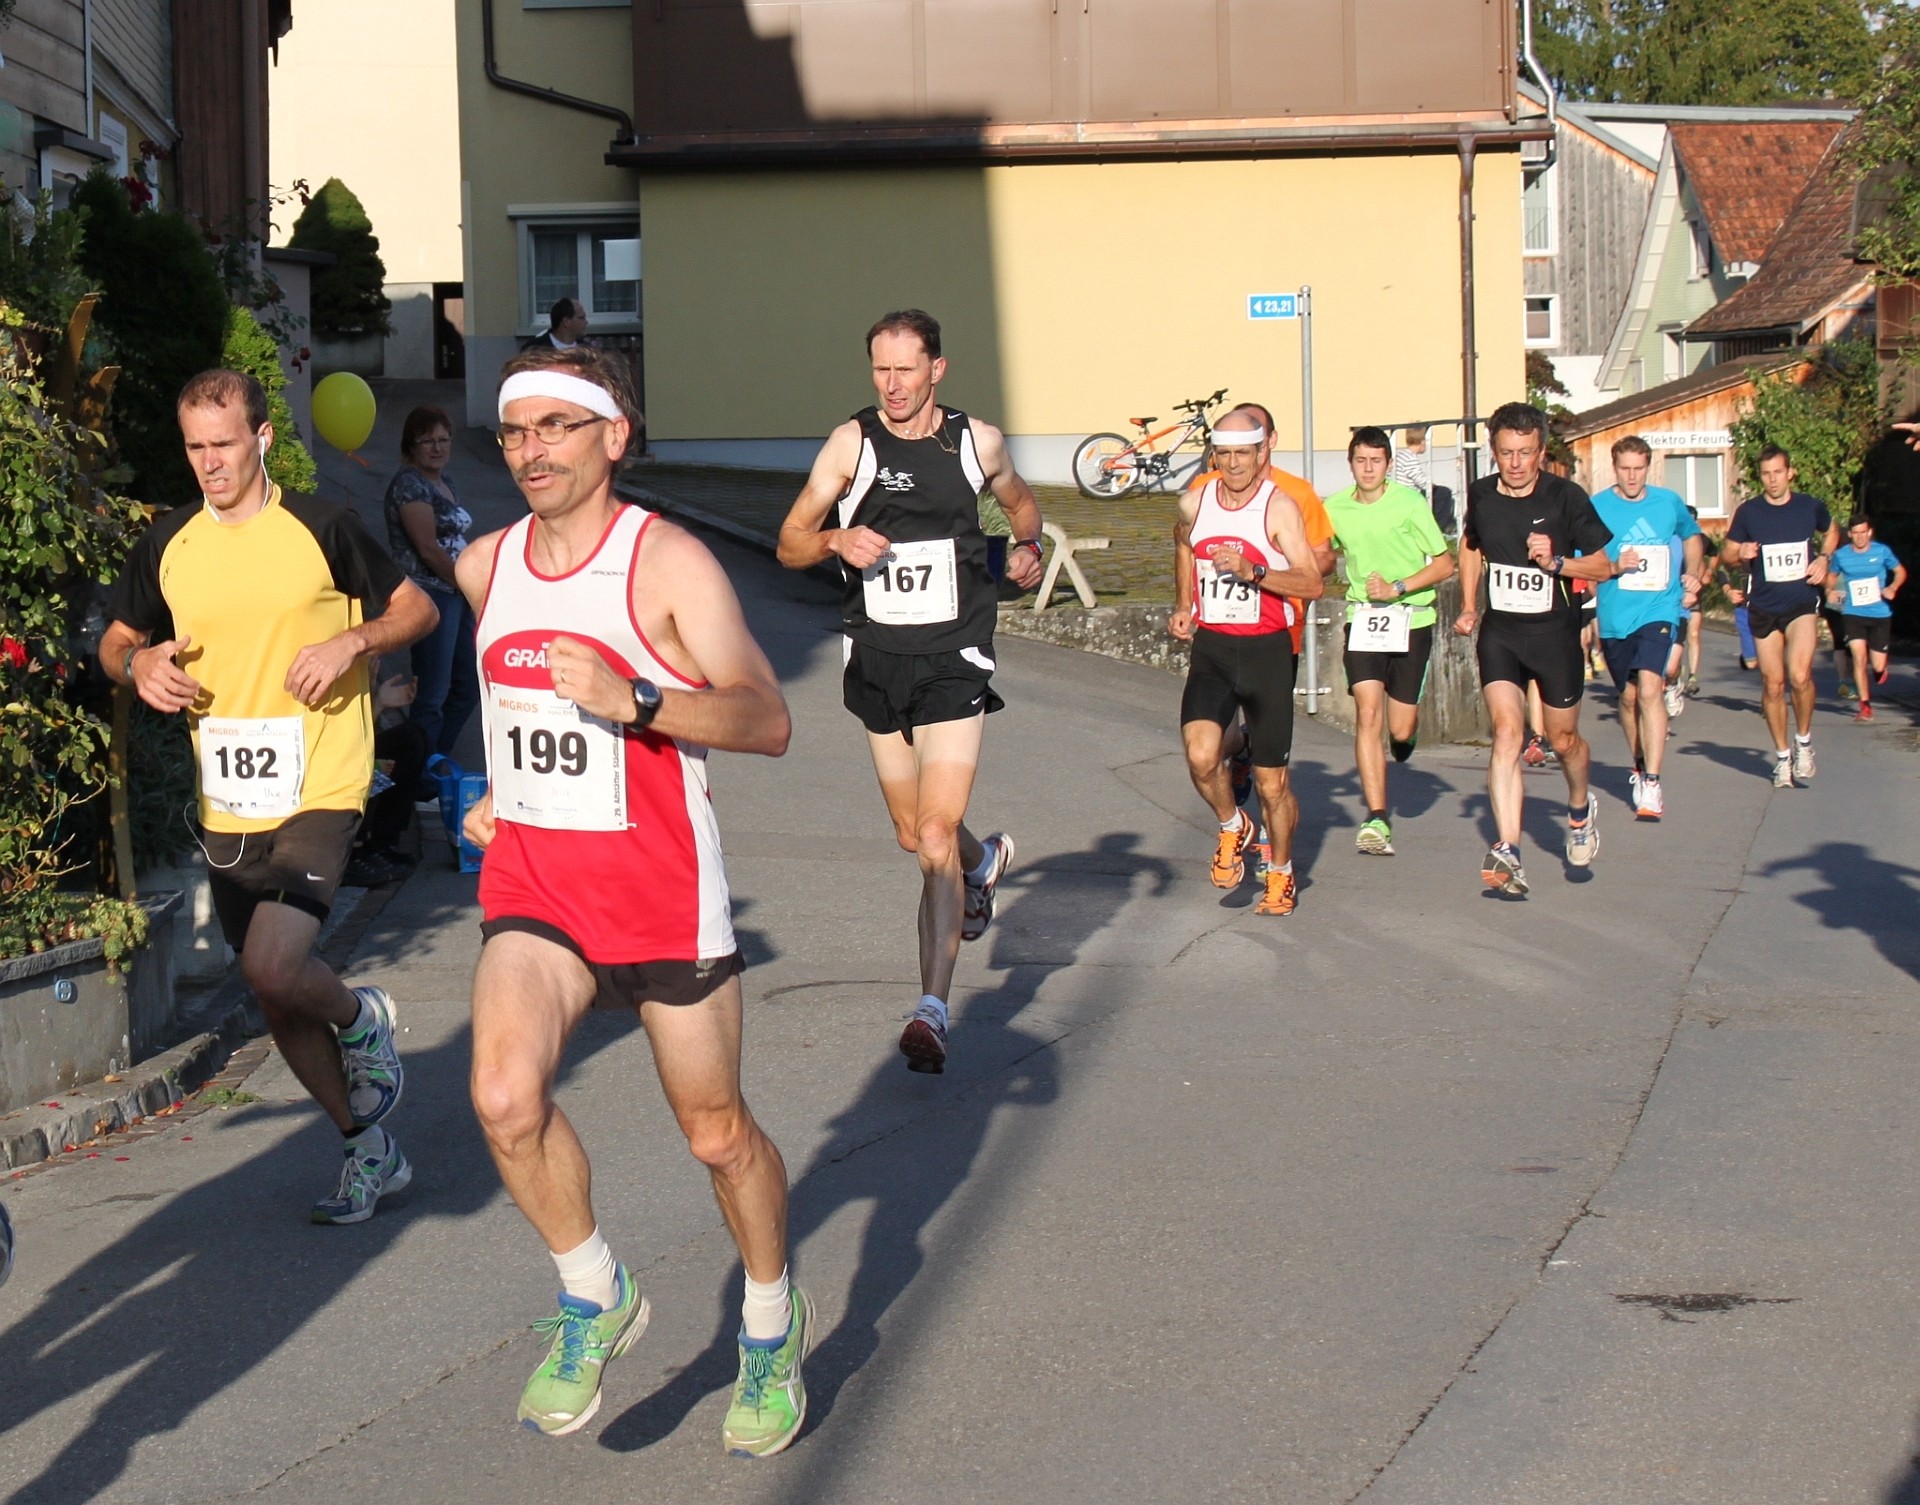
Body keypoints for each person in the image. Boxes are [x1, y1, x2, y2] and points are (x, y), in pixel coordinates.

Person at [457, 344, 807, 1452]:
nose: (531, 451)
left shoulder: (668, 566)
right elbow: (512, 710)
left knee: (715, 1135)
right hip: (539, 886)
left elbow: (768, 718)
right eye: (517, 431)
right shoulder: (484, 566)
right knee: (504, 1094)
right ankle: (594, 1290)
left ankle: (767, 1320)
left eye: (558, 426)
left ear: (616, 435)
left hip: (662, 894)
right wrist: (495, 795)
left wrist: (638, 696)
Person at [99, 368, 438, 1222]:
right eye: (194, 447)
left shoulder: (322, 525)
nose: (209, 463)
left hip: (322, 774)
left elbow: (418, 611)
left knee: (276, 964)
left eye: (223, 444)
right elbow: (115, 640)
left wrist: (353, 640)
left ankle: (361, 1016)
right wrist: (137, 663)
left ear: (262, 439)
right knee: (275, 991)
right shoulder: (170, 541)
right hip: (230, 799)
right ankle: (368, 1150)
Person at [776, 310, 1044, 1075]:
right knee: (916, 835)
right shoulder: (851, 444)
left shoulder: (975, 441)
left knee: (932, 837)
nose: (892, 386)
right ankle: (982, 863)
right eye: (880, 371)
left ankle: (932, 1009)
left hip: (956, 655)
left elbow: (1023, 503)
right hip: (877, 656)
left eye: (906, 370)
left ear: (937, 370)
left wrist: (1024, 548)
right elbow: (789, 540)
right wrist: (833, 539)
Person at [1454, 402, 1619, 895]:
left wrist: (1558, 562)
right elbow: (1470, 545)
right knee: (1507, 732)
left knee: (1564, 741)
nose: (1516, 463)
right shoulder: (1482, 494)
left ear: (1541, 451)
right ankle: (1509, 852)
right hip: (1501, 633)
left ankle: (1579, 809)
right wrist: (1467, 604)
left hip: (1555, 636)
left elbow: (1603, 567)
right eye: (1507, 453)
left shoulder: (1566, 498)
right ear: (1494, 451)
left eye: (1526, 453)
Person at [1168, 407, 1324, 913]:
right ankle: (1234, 825)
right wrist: (1184, 605)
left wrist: (1256, 572)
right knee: (1199, 754)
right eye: (1226, 454)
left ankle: (1280, 871)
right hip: (1213, 650)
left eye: (1244, 454)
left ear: (1262, 454)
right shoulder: (1195, 502)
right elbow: (1183, 545)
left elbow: (1312, 582)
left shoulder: (1277, 509)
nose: (1234, 464)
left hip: (1267, 653)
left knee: (1271, 781)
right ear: (1216, 454)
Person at [1323, 427, 1455, 854]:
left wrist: (1398, 588)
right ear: (1350, 463)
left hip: (1411, 619)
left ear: (1388, 465)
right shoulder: (1337, 507)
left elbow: (1444, 564)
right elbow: (1326, 551)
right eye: (1360, 461)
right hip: (1362, 619)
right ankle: (1377, 818)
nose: (1367, 469)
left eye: (1376, 461)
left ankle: (1404, 740)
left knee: (1399, 727)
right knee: (1367, 713)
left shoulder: (1409, 504)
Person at [1589, 436, 1704, 821]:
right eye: (1625, 468)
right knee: (1628, 697)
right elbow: (1584, 561)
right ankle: (1638, 766)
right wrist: (1613, 567)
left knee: (1651, 687)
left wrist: (1693, 574)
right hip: (1616, 617)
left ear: (1648, 467)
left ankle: (1652, 782)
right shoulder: (1598, 507)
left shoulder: (1668, 502)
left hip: (1660, 609)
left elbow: (1692, 535)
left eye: (1639, 468)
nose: (1632, 476)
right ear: (1614, 467)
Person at [1721, 446, 1838, 788]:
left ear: (1790, 473)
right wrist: (1739, 552)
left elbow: (1832, 530)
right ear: (1761, 477)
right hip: (1764, 606)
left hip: (1801, 603)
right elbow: (1727, 553)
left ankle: (1804, 743)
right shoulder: (1749, 512)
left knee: (1799, 676)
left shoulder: (1808, 506)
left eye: (1778, 472)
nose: (1772, 480)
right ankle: (1783, 756)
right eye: (1766, 474)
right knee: (1773, 684)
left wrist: (1824, 558)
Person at [382, 404, 478, 768]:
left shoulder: (443, 481)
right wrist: (467, 585)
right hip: (431, 596)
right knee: (433, 693)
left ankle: (434, 760)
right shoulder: (410, 484)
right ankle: (418, 772)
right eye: (428, 442)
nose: (437, 448)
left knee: (467, 685)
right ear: (412, 445)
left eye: (444, 440)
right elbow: (428, 549)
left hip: (456, 595)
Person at [1826, 514, 1905, 720]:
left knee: (1877, 665)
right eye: (1856, 533)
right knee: (1859, 658)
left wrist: (1893, 587)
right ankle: (1865, 706)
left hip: (1879, 613)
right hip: (1853, 613)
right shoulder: (1841, 555)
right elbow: (1831, 577)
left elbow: (1900, 571)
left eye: (1864, 532)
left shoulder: (1881, 551)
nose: (1860, 537)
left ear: (1869, 532)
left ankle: (1880, 670)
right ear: (1850, 534)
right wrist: (1829, 591)